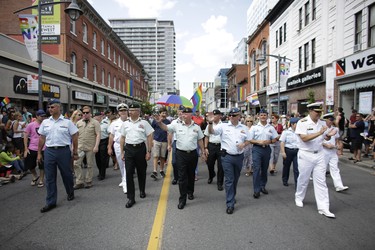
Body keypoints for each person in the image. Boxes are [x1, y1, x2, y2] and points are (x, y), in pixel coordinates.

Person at [156, 107, 206, 210]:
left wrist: (203, 152)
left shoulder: (196, 127)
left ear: (190, 115)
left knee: (191, 175)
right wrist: (160, 123)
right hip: (181, 154)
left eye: (186, 114)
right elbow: (166, 128)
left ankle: (190, 192)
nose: (183, 115)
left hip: (192, 154)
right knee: (182, 176)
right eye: (182, 114)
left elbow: (200, 140)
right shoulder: (176, 125)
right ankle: (182, 199)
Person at [294, 102, 337, 218]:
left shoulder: (322, 123)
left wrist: (330, 135)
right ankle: (299, 197)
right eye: (316, 112)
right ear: (310, 111)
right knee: (304, 178)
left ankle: (324, 207)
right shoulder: (302, 122)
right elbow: (304, 138)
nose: (318, 114)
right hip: (306, 154)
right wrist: (320, 132)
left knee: (321, 181)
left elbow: (325, 136)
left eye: (320, 112)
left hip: (319, 154)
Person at [37, 99, 78, 213]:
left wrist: (75, 152)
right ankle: (51, 202)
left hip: (63, 151)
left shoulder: (67, 122)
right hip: (49, 151)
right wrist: (39, 153)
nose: (50, 109)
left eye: (52, 107)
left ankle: (70, 192)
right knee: (50, 177)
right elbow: (42, 138)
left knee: (67, 174)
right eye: (49, 107)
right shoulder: (45, 122)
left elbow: (74, 137)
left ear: (59, 108)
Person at [207, 107, 250, 214]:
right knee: (229, 180)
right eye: (230, 115)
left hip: (239, 157)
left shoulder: (244, 127)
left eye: (234, 115)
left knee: (235, 179)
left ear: (239, 116)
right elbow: (212, 132)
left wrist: (244, 144)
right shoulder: (223, 126)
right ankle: (230, 203)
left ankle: (232, 195)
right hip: (227, 157)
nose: (231, 117)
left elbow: (249, 140)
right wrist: (210, 123)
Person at [119, 103, 154, 208]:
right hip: (129, 149)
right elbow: (122, 138)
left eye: (133, 110)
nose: (130, 112)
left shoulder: (144, 123)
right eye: (130, 110)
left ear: (138, 112)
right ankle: (131, 198)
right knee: (129, 173)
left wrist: (148, 151)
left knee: (141, 172)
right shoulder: (125, 124)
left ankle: (142, 190)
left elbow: (149, 137)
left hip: (140, 149)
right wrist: (122, 152)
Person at [249, 109, 278, 199]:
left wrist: (269, 141)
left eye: (264, 115)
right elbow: (250, 139)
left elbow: (276, 138)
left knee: (264, 169)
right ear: (258, 116)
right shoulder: (254, 127)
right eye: (261, 115)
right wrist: (258, 142)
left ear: (267, 116)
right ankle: (256, 190)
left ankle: (262, 186)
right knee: (257, 169)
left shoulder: (271, 128)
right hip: (257, 149)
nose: (263, 117)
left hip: (267, 149)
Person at [73, 106, 100, 189]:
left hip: (90, 147)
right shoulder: (78, 123)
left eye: (87, 113)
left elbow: (98, 134)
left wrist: (96, 146)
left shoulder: (95, 123)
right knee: (76, 163)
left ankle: (89, 181)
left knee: (89, 165)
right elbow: (75, 136)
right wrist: (73, 147)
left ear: (90, 113)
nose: (85, 114)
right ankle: (79, 181)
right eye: (83, 113)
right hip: (80, 146)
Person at [322, 113, 348, 192]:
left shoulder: (335, 129)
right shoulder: (321, 129)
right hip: (324, 151)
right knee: (322, 169)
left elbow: (337, 139)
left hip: (333, 151)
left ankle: (339, 186)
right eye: (330, 120)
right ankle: (321, 185)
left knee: (335, 168)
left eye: (332, 120)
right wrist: (325, 145)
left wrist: (338, 147)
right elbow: (317, 141)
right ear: (325, 120)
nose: (331, 121)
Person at [108, 103, 129, 194]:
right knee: (121, 163)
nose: (123, 112)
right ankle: (123, 178)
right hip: (117, 145)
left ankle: (126, 183)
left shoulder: (131, 121)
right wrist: (109, 147)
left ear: (127, 111)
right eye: (121, 111)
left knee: (127, 164)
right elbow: (111, 135)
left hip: (128, 145)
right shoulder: (114, 123)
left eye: (124, 110)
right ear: (118, 112)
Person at [24, 109, 47, 187]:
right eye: (41, 116)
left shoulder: (46, 124)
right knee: (30, 164)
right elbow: (26, 136)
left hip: (44, 147)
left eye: (44, 116)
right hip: (32, 147)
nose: (43, 117)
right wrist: (26, 148)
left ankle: (41, 179)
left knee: (42, 165)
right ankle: (34, 175)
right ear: (37, 116)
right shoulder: (31, 125)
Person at [204, 109, 224, 191]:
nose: (214, 117)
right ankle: (211, 175)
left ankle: (220, 183)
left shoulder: (224, 125)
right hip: (211, 146)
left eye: (216, 115)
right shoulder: (209, 124)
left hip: (220, 146)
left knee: (221, 166)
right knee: (209, 163)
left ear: (220, 116)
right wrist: (205, 148)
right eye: (213, 115)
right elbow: (206, 136)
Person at [150, 107, 170, 179]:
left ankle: (161, 170)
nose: (164, 114)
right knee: (155, 156)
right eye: (162, 113)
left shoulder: (168, 122)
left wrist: (169, 143)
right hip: (156, 140)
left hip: (164, 141)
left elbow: (169, 133)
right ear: (160, 113)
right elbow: (152, 131)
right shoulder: (155, 121)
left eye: (165, 113)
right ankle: (155, 171)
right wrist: (151, 140)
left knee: (162, 157)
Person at [279, 117, 300, 187]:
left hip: (297, 151)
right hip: (288, 150)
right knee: (286, 166)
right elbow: (282, 142)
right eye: (297, 124)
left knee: (297, 168)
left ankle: (297, 183)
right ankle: (285, 179)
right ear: (292, 124)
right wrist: (283, 152)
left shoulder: (300, 132)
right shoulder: (286, 132)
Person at [168, 105, 185, 185]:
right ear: (177, 112)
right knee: (174, 162)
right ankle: (176, 177)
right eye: (179, 111)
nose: (181, 113)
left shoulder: (188, 121)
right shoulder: (174, 122)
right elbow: (170, 133)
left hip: (185, 143)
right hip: (176, 142)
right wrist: (169, 144)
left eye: (182, 111)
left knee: (184, 162)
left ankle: (183, 177)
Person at [94, 112, 110, 181]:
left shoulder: (106, 124)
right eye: (95, 116)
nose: (96, 117)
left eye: (97, 116)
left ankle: (102, 174)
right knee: (97, 158)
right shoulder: (93, 124)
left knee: (103, 158)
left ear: (100, 116)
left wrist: (109, 144)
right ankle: (100, 170)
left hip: (104, 141)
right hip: (96, 142)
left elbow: (109, 134)